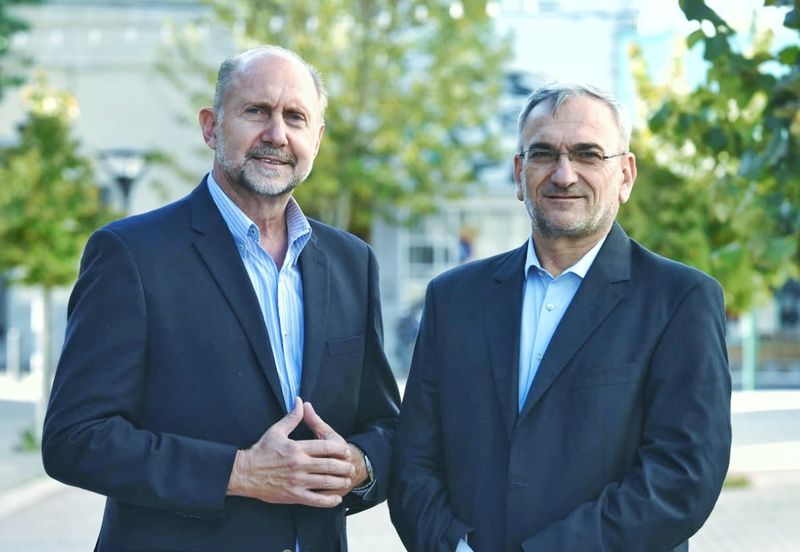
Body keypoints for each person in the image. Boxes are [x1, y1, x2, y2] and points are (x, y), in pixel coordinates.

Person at [42, 45, 400, 551]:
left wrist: (358, 465)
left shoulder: (352, 263)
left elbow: (386, 427)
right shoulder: (131, 255)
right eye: (257, 111)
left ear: (316, 140)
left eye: (295, 117)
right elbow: (75, 438)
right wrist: (239, 472)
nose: (276, 134)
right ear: (211, 127)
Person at [389, 83, 731, 552]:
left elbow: (681, 478)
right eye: (544, 154)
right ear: (519, 173)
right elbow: (414, 463)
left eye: (588, 154)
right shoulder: (453, 299)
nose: (564, 174)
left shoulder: (681, 301)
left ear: (625, 175)